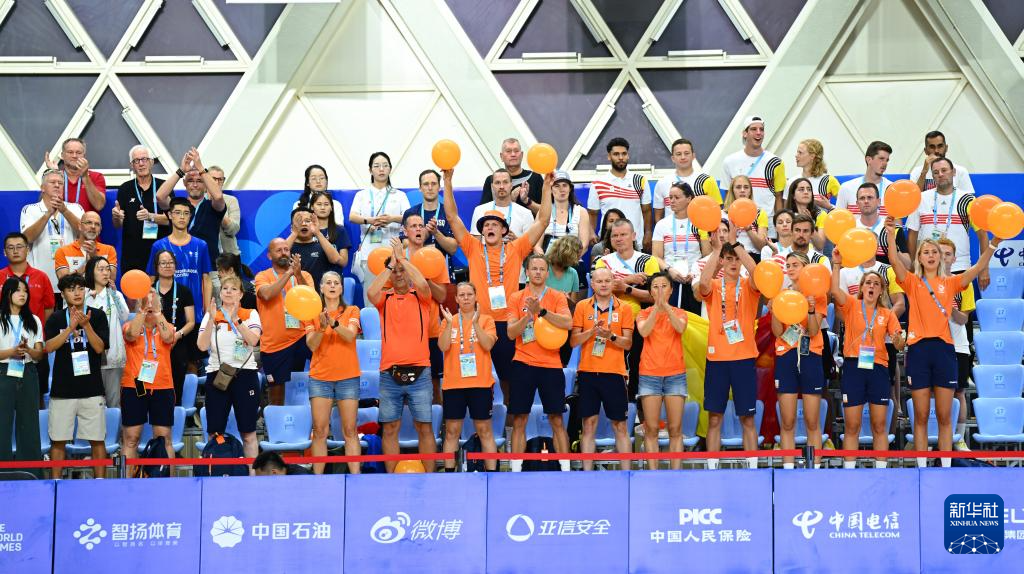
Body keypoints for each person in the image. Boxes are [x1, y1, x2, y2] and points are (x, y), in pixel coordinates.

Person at [885, 216, 998, 468]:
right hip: (918, 351)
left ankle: (945, 469)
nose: (930, 255)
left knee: (945, 416)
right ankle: (922, 469)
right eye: (925, 252)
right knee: (921, 416)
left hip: (944, 351)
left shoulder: (951, 282)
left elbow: (978, 267)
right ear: (919, 258)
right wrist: (891, 235)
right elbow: (893, 260)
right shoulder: (912, 282)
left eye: (934, 252)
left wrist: (993, 243)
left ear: (942, 258)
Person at [442, 168, 552, 405]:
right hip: (479, 320)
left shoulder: (516, 248)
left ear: (504, 230)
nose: (490, 227)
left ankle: (511, 419)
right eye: (486, 225)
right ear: (482, 230)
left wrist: (546, 188)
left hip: (507, 323)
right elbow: (452, 217)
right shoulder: (472, 248)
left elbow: (543, 221)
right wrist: (447, 181)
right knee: (475, 376)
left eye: (495, 224)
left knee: (509, 379)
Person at [366, 240, 435, 473]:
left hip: (421, 371)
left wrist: (403, 259)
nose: (398, 274)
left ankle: (431, 477)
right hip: (389, 373)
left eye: (401, 270)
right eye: (394, 272)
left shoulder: (421, 296)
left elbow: (423, 283)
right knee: (390, 428)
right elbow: (371, 292)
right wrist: (392, 263)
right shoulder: (384, 299)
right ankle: (391, 479)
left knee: (424, 427)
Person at [829, 261, 905, 469]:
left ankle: (881, 471)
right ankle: (849, 472)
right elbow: (834, 290)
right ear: (862, 287)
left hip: (878, 369)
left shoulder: (887, 314)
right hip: (853, 367)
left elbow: (899, 342)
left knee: (879, 425)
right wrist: (836, 264)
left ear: (881, 291)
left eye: (876, 284)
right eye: (868, 283)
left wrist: (899, 341)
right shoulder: (852, 305)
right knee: (852, 425)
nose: (872, 286)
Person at [697, 224, 760, 469]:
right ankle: (712, 468)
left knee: (747, 418)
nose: (734, 262)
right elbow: (702, 284)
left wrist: (735, 244)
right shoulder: (714, 286)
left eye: (737, 259)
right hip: (717, 360)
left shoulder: (749, 286)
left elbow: (756, 273)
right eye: (729, 259)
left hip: (743, 358)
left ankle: (753, 468)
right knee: (715, 418)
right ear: (722, 262)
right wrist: (716, 251)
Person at [506, 254, 573, 471]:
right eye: (533, 268)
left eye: (542, 269)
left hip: (551, 364)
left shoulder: (557, 296)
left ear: (547, 273)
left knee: (557, 419)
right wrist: (528, 316)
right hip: (523, 363)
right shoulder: (516, 297)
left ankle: (566, 470)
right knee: (519, 419)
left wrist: (542, 312)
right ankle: (515, 471)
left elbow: (568, 323)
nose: (537, 272)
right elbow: (510, 333)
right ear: (527, 272)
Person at [44, 273, 108, 478]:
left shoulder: (97, 315)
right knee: (58, 440)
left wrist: (86, 325)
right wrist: (70, 328)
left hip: (92, 389)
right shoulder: (56, 318)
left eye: (80, 288)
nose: (77, 293)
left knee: (97, 439)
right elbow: (49, 347)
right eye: (71, 289)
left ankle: (100, 482)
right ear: (63, 294)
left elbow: (99, 348)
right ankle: (56, 483)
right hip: (63, 390)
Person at [570, 267, 634, 471]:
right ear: (592, 284)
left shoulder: (624, 308)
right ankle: (587, 474)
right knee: (588, 424)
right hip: (588, 373)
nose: (604, 284)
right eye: (599, 281)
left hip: (614, 373)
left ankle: (627, 474)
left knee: (620, 425)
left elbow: (628, 344)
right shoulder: (582, 306)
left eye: (607, 281)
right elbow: (573, 341)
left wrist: (610, 336)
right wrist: (591, 332)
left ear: (613, 282)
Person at [197, 275, 262, 458]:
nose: (228, 292)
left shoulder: (250, 313)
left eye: (233, 289)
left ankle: (251, 472)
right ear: (220, 293)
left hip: (245, 375)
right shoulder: (212, 315)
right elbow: (202, 346)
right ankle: (215, 470)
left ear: (240, 294)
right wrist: (211, 319)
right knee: (215, 433)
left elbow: (253, 340)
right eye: (225, 288)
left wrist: (237, 320)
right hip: (218, 375)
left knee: (248, 432)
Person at [771, 253, 825, 469]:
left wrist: (810, 309)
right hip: (786, 355)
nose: (791, 268)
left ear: (806, 268)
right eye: (788, 265)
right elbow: (777, 332)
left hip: (811, 354)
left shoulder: (817, 295)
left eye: (796, 265)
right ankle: (788, 468)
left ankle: (815, 469)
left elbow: (813, 331)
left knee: (812, 420)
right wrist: (775, 309)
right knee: (787, 421)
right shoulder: (782, 295)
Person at [304, 271, 361, 474]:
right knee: (320, 430)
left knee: (350, 430)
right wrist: (321, 327)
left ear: (341, 288)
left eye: (336, 283)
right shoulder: (312, 314)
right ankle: (318, 480)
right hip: (320, 378)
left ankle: (356, 477)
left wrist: (333, 323)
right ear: (321, 287)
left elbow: (350, 335)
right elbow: (311, 345)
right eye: (328, 282)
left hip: (348, 377)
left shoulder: (352, 310)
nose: (332, 286)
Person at [593, 219, 659, 394]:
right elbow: (601, 289)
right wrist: (629, 280)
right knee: (608, 367)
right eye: (615, 235)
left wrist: (626, 289)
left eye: (623, 234)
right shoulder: (603, 262)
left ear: (634, 236)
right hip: (608, 321)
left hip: (639, 323)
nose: (619, 238)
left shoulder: (647, 261)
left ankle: (633, 401)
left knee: (636, 365)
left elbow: (655, 297)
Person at [438, 282, 498, 472]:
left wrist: (475, 323)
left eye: (469, 294)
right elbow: (443, 346)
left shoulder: (486, 320)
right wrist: (449, 324)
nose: (465, 298)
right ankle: (449, 474)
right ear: (456, 298)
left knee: (484, 430)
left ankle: (492, 474)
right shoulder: (449, 320)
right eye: (462, 295)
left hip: (480, 384)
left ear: (476, 296)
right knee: (451, 431)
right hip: (453, 385)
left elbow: (487, 345)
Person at [906, 156, 990, 290]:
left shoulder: (968, 199)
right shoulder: (920, 198)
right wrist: (913, 264)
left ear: (954, 172)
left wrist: (984, 269)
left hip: (960, 267)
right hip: (927, 268)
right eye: (936, 172)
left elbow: (983, 236)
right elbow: (912, 234)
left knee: (961, 304)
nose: (940, 174)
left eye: (944, 170)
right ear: (932, 176)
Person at [635, 272, 688, 470]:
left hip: (675, 374)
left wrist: (666, 308)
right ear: (650, 291)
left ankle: (676, 473)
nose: (659, 290)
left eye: (664, 286)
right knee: (651, 428)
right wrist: (656, 310)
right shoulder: (643, 313)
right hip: (649, 374)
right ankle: (653, 474)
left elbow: (680, 328)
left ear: (671, 290)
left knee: (675, 428)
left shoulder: (680, 312)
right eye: (655, 287)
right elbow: (644, 331)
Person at [119, 290, 176, 463]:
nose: (149, 303)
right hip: (134, 386)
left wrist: (157, 312)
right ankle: (127, 479)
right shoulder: (129, 325)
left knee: (164, 439)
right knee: (131, 438)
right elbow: (132, 335)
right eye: (145, 300)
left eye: (153, 300)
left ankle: (167, 479)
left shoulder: (167, 326)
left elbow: (168, 338)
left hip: (162, 387)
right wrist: (142, 311)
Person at [255, 239, 313, 406]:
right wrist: (289, 273)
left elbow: (311, 298)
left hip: (302, 338)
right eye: (279, 250)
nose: (284, 253)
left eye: (286, 249)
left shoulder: (304, 275)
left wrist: (298, 274)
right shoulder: (263, 276)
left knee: (320, 377)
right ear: (269, 255)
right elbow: (266, 294)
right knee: (276, 394)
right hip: (275, 344)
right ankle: (276, 421)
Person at [0, 233, 55, 404]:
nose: (15, 251)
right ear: (4, 252)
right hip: (4, 351)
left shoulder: (41, 277)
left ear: (28, 249)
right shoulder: (0, 276)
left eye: (20, 247)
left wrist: (36, 330)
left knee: (35, 401)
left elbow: (49, 308)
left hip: (34, 348)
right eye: (11, 247)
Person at [402, 212, 451, 405]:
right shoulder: (398, 259)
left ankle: (439, 420)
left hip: (431, 331)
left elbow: (442, 296)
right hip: (404, 332)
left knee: (434, 383)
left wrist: (426, 279)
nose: (418, 229)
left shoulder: (435, 258)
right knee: (404, 384)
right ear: (405, 231)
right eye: (413, 226)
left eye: (421, 226)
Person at [0, 277, 46, 475]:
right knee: (2, 423)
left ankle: (31, 473)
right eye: (18, 290)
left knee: (29, 424)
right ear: (8, 293)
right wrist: (12, 351)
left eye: (25, 291)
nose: (23, 294)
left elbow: (39, 354)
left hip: (27, 372)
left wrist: (27, 349)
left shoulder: (33, 320)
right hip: (3, 372)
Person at [350, 152, 410, 298]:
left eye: (385, 165)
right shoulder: (362, 195)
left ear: (390, 169)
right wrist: (369, 221)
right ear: (370, 170)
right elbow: (352, 217)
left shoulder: (399, 195)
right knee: (371, 296)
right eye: (377, 166)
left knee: (394, 296)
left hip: (393, 253)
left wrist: (392, 219)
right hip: (368, 253)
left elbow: (409, 218)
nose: (381, 169)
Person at [156, 148, 227, 265]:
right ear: (184, 183)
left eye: (199, 181)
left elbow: (218, 197)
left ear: (205, 184)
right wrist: (181, 170)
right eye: (190, 180)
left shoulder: (212, 206)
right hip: (179, 266)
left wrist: (201, 168)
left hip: (208, 267)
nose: (195, 184)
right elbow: (160, 196)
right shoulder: (178, 206)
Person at [147, 197, 213, 324]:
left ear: (190, 216)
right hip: (165, 314)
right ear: (170, 215)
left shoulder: (201, 245)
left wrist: (207, 311)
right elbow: (151, 279)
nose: (182, 217)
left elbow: (206, 279)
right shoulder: (158, 246)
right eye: (177, 212)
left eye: (186, 213)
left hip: (195, 313)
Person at [20, 169, 83, 297]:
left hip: (71, 278)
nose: (57, 185)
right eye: (52, 182)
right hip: (40, 277)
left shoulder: (75, 208)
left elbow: (84, 233)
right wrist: (48, 214)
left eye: (60, 183)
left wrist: (64, 211)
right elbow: (27, 238)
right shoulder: (30, 209)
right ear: (42, 188)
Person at [937, 238, 974, 451]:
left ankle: (958, 438)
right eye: (940, 253)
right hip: (933, 345)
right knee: (931, 393)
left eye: (948, 254)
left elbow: (963, 319)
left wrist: (948, 307)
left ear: (954, 258)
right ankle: (931, 435)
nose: (943, 258)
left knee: (958, 392)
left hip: (957, 346)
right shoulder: (925, 283)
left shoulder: (963, 284)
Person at [721, 116, 785, 234]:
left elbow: (779, 197)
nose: (758, 133)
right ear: (745, 133)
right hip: (737, 224)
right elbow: (727, 196)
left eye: (761, 129)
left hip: (768, 225)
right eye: (754, 129)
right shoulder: (729, 161)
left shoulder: (776, 162)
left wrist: (779, 226)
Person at [588, 137, 652, 251]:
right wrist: (591, 232)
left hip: (635, 242)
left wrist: (648, 233)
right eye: (616, 154)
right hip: (608, 244)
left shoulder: (640, 180)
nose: (621, 157)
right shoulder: (598, 184)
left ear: (628, 155)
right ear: (609, 156)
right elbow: (593, 213)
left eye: (624, 154)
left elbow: (646, 211)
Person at [111, 145, 169, 272]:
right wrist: (116, 217)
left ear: (151, 162)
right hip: (132, 255)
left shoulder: (164, 186)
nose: (141, 164)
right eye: (136, 161)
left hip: (161, 254)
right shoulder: (125, 188)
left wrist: (150, 217)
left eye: (144, 159)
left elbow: (171, 219)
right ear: (132, 165)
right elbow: (118, 225)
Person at [84, 257, 130, 408]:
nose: (105, 273)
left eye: (107, 269)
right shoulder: (84, 296)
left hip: (112, 358)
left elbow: (124, 316)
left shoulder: (115, 295)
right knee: (92, 405)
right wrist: (86, 297)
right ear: (91, 272)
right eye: (101, 269)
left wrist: (115, 294)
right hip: (89, 359)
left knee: (113, 404)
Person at [152, 249, 196, 406]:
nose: (167, 266)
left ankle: (176, 416)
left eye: (171, 262)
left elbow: (191, 322)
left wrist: (177, 335)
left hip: (177, 344)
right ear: (156, 267)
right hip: (153, 346)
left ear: (175, 266)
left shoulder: (184, 291)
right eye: (163, 263)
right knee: (153, 386)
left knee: (176, 388)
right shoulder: (149, 291)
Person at [652, 182, 702, 313]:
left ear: (689, 198)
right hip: (671, 279)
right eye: (670, 197)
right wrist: (669, 270)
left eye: (677, 197)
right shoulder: (662, 224)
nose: (672, 201)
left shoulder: (700, 223)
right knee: (672, 318)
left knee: (694, 318)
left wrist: (695, 272)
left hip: (695, 279)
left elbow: (707, 254)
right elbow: (656, 256)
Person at [653, 139, 723, 224]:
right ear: (673, 158)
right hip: (671, 231)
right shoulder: (662, 183)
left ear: (693, 156)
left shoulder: (706, 180)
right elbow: (658, 217)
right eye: (678, 154)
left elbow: (717, 211)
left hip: (699, 231)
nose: (683, 157)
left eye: (686, 153)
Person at [285, 207, 348, 286]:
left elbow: (336, 259)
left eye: (308, 221)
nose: (304, 224)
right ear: (292, 227)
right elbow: (278, 257)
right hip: (292, 292)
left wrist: (318, 233)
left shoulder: (323, 246)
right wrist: (294, 233)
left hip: (318, 292)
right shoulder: (287, 246)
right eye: (299, 221)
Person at [479, 138, 544, 213]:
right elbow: (484, 213)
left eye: (516, 151)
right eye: (508, 151)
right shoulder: (492, 180)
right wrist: (510, 200)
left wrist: (527, 201)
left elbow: (545, 213)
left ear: (522, 155)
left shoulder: (535, 177)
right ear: (501, 156)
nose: (513, 154)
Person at [853, 182, 909, 267]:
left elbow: (908, 265)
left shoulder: (894, 228)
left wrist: (891, 245)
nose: (866, 201)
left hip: (888, 275)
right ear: (857, 204)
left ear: (878, 202)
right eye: (862, 198)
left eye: (870, 197)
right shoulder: (850, 230)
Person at [404, 169, 458, 258]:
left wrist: (436, 233)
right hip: (416, 265)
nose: (430, 188)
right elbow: (404, 244)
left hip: (442, 265)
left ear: (439, 187)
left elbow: (453, 249)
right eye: (426, 184)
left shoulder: (448, 213)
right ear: (420, 188)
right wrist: (425, 234)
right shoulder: (410, 213)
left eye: (433, 184)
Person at [470, 169, 535, 242]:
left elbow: (531, 246)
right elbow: (475, 245)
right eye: (497, 183)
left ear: (511, 185)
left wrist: (516, 242)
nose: (501, 186)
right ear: (492, 186)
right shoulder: (479, 210)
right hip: (486, 249)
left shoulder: (525, 213)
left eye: (505, 182)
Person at [43, 138, 106, 212]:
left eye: (78, 153)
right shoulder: (56, 175)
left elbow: (99, 205)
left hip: (85, 219)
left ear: (84, 156)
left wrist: (85, 176)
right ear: (62, 155)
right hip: (60, 219)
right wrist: (54, 174)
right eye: (70, 152)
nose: (74, 156)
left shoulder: (97, 177)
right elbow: (44, 205)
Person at [835, 141, 894, 215]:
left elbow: (897, 221)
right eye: (881, 159)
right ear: (869, 160)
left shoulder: (892, 189)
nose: (885, 163)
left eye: (887, 160)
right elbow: (838, 218)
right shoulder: (846, 188)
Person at [54, 212, 117, 280]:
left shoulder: (109, 250)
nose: (93, 226)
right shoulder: (62, 251)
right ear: (80, 226)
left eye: (97, 224)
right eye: (89, 222)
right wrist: (87, 265)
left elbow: (111, 279)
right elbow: (63, 281)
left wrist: (95, 258)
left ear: (100, 229)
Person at [908, 130, 975, 193]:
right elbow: (914, 197)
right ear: (925, 151)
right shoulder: (917, 172)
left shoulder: (960, 171)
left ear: (946, 148)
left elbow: (969, 198)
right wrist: (924, 172)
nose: (936, 151)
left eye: (940, 146)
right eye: (932, 147)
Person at [543, 170, 591, 252]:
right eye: (557, 186)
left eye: (565, 185)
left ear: (570, 189)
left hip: (574, 258)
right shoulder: (544, 211)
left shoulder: (581, 212)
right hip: (548, 258)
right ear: (551, 190)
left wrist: (571, 259)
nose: (561, 189)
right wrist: (545, 260)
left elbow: (584, 245)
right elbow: (537, 245)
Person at [724, 175, 768, 261]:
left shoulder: (759, 213)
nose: (742, 190)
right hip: (730, 256)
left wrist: (748, 229)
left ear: (750, 191)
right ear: (732, 191)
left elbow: (762, 247)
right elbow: (719, 244)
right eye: (738, 187)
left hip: (753, 257)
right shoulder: (723, 214)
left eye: (746, 187)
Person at [309, 191, 353, 277]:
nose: (323, 207)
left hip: (333, 281)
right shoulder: (307, 230)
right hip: (310, 280)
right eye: (319, 204)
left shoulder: (340, 230)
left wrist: (334, 256)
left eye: (326, 204)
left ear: (331, 207)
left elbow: (344, 262)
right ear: (312, 207)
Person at [788, 139, 838, 210]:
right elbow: (786, 211)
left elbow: (845, 211)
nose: (796, 155)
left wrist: (829, 207)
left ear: (812, 156)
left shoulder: (829, 180)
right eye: (797, 152)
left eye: (800, 152)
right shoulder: (791, 181)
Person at [783, 178, 826, 251]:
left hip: (813, 256)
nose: (806, 192)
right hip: (791, 255)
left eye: (809, 189)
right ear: (793, 195)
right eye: (801, 189)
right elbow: (784, 243)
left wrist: (810, 223)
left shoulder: (821, 214)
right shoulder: (786, 216)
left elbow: (820, 246)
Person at [209, 166, 240, 256]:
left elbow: (233, 230)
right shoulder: (200, 200)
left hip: (229, 255)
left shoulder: (231, 200)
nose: (217, 182)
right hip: (206, 254)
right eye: (213, 179)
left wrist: (219, 208)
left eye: (220, 179)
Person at [545, 235, 583, 304]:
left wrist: (567, 299)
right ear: (568, 253)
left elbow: (573, 305)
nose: (578, 260)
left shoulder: (573, 273)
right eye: (577, 256)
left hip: (562, 309)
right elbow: (529, 295)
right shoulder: (542, 268)